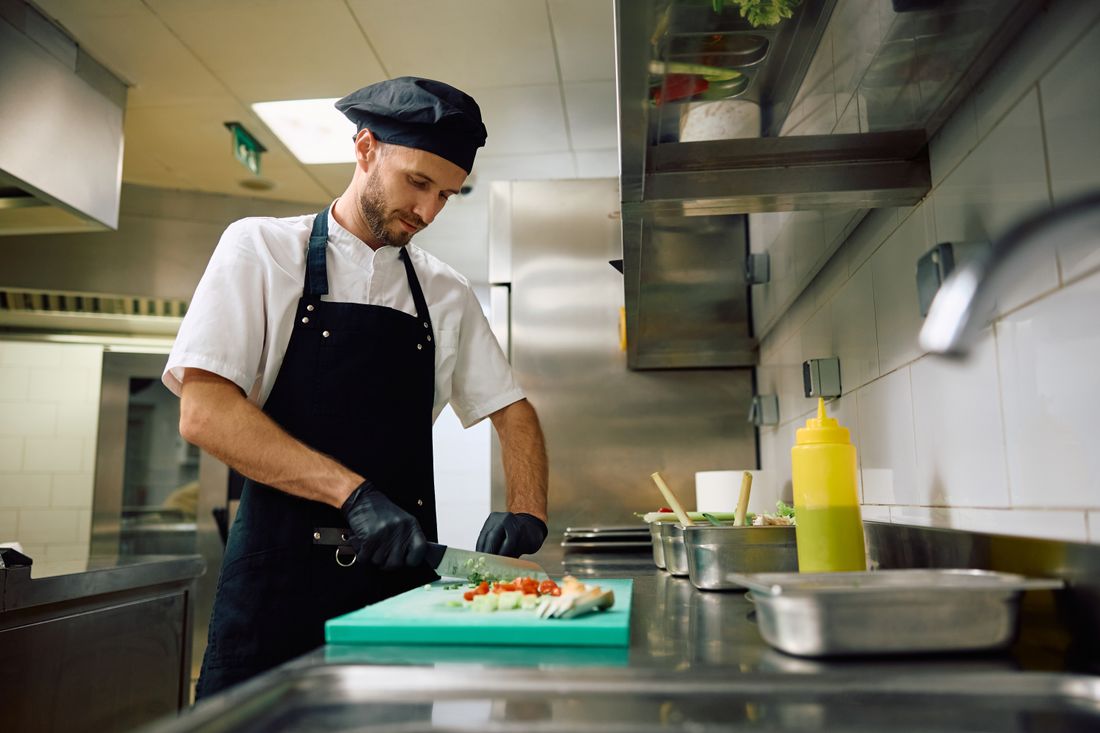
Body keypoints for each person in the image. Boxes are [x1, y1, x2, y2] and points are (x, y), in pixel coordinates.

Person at [163, 77, 549, 698]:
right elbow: (205, 414)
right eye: (418, 183)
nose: (427, 212)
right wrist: (354, 495)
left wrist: (529, 506)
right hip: (277, 589)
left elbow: (513, 409)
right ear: (366, 148)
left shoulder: (445, 290)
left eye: (447, 195)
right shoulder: (261, 249)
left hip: (395, 592)